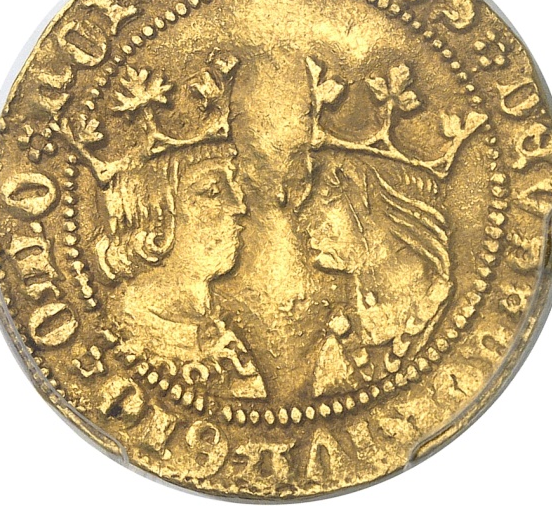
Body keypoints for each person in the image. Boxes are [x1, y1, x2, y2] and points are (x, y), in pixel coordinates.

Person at [101, 142, 267, 399]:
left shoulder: (224, 339)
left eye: (233, 187)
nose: (239, 207)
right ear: (156, 217)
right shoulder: (122, 337)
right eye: (213, 192)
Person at [298, 151, 452, 397]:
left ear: (364, 197)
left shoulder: (437, 305)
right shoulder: (339, 335)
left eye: (326, 200)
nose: (308, 224)